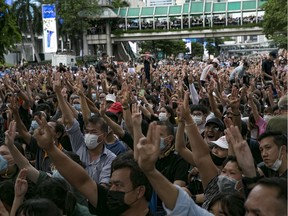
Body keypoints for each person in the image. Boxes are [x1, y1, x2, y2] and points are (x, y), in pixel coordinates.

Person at [33, 116, 153, 216]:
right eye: (111, 184)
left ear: (140, 191)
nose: (111, 190)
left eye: (118, 185)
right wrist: (50, 148)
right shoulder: (109, 206)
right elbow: (81, 181)